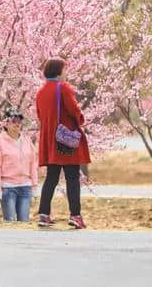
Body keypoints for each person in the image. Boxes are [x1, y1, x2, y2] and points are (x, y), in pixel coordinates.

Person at [36, 57, 90, 229]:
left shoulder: (41, 91)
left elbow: (40, 115)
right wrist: (80, 119)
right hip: (65, 140)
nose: (66, 73)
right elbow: (74, 110)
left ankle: (43, 215)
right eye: (64, 69)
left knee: (51, 178)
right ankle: (75, 215)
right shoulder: (63, 88)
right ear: (58, 71)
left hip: (50, 141)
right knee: (72, 177)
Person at [0, 108, 39, 222]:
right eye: (13, 121)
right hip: (8, 188)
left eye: (19, 121)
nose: (17, 124)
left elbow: (33, 164)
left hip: (25, 187)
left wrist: (34, 186)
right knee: (10, 222)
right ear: (6, 124)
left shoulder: (27, 141)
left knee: (24, 222)